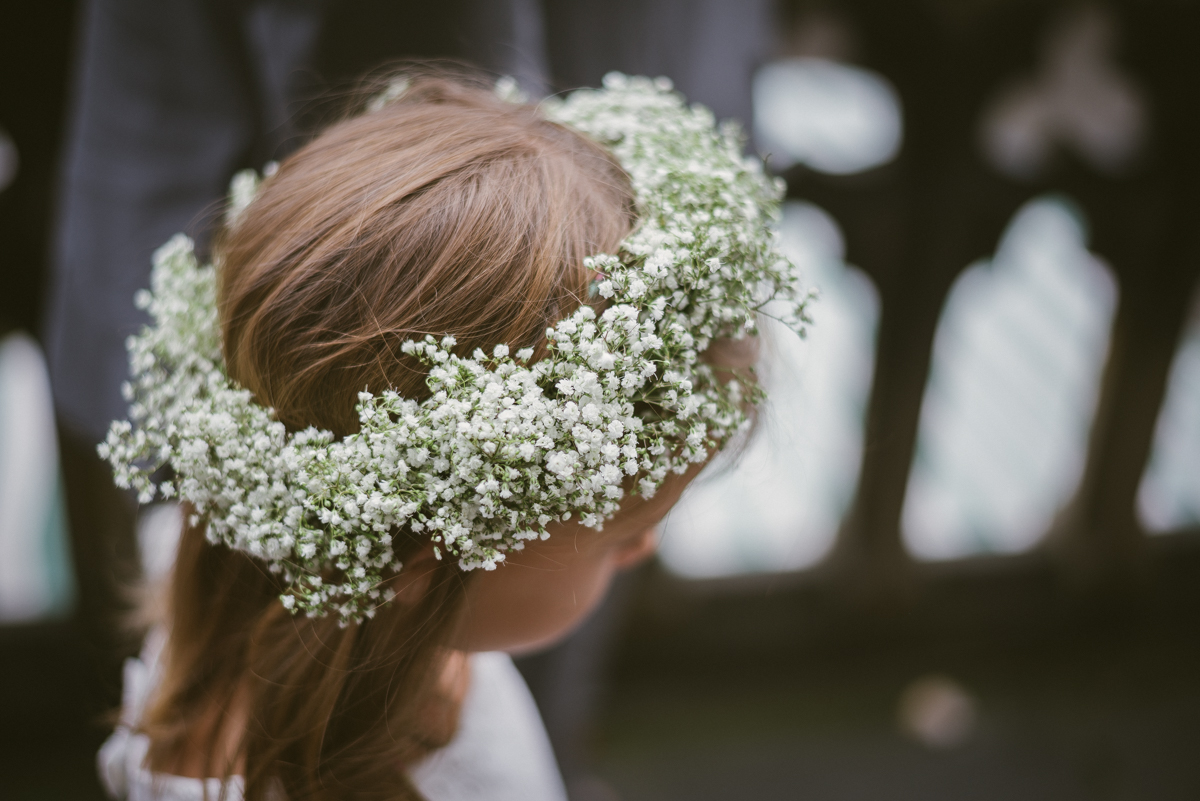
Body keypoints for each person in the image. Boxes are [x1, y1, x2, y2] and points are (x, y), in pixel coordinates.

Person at [94, 71, 805, 800]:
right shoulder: (445, 765)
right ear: (422, 558)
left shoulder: (262, 596)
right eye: (622, 533)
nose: (643, 547)